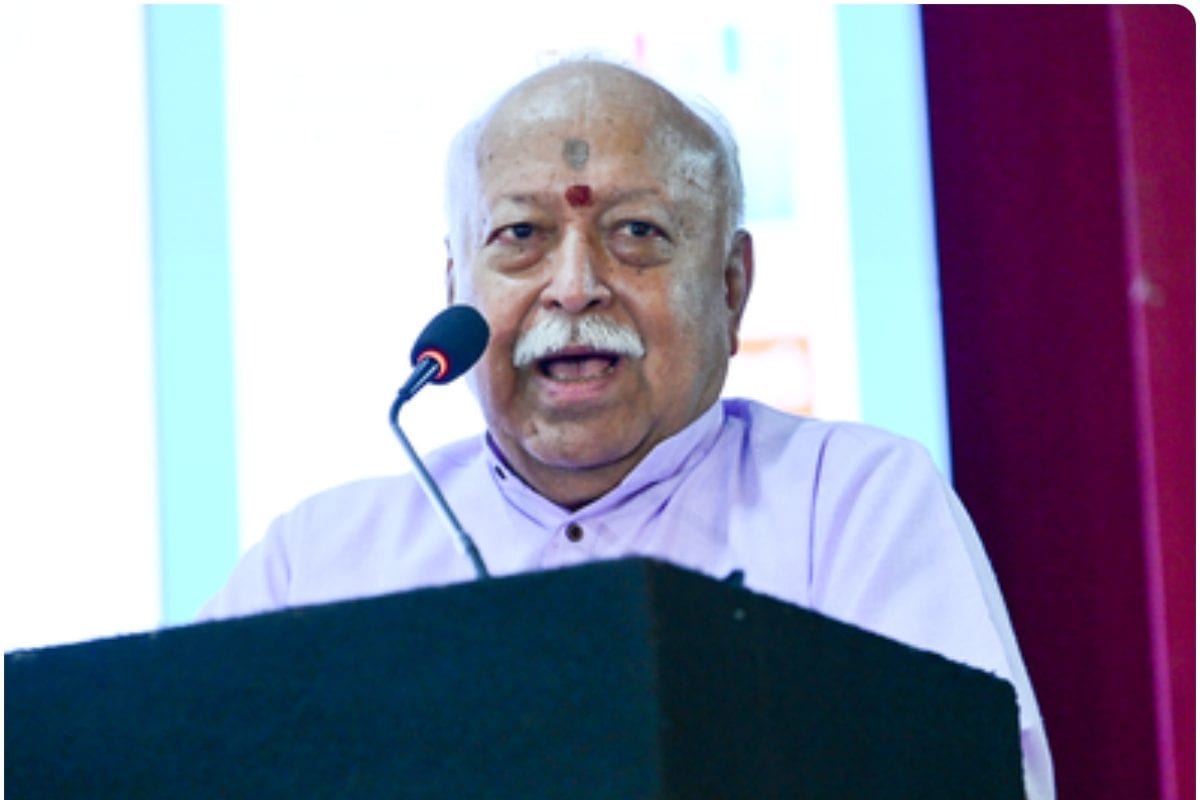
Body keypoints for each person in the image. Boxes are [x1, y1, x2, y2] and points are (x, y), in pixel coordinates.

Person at [201, 58, 1054, 797]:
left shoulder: (853, 505)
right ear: (457, 286)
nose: (574, 287)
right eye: (521, 235)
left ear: (730, 286)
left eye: (637, 233)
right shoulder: (322, 561)